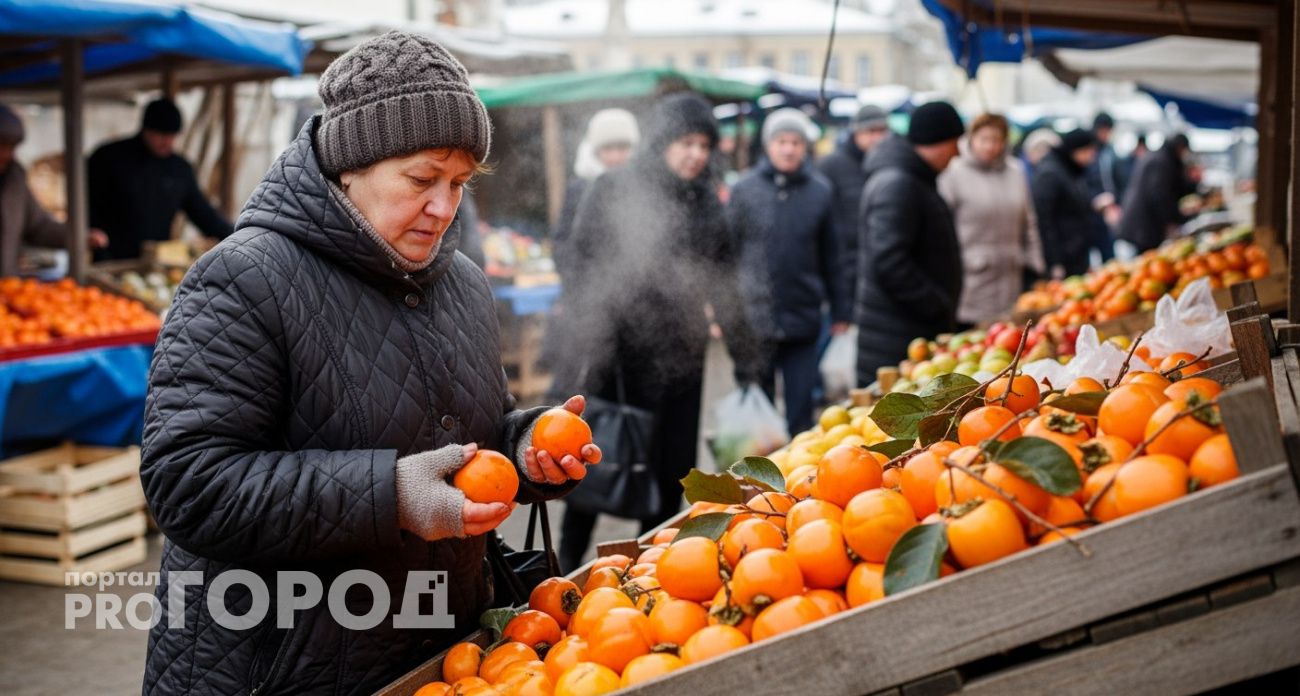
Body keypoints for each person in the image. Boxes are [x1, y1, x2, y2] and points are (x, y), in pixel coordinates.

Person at [139, 32, 600, 696]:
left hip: (446, 657)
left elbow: (464, 440)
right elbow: (189, 484)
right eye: (421, 179)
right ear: (350, 164)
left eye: (459, 184)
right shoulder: (243, 280)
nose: (444, 208)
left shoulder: (463, 284)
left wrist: (525, 449)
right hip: (285, 667)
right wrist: (391, 496)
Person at [557, 92, 761, 571]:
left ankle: (650, 570)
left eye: (704, 145)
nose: (695, 154)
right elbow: (580, 264)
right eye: (685, 142)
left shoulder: (708, 204)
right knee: (598, 469)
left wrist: (747, 361)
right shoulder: (612, 187)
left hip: (682, 361)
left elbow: (725, 286)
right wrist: (592, 339)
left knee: (670, 474)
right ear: (661, 142)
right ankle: (561, 566)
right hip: (619, 357)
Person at [730, 108, 850, 435]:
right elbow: (728, 253)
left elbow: (832, 256)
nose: (788, 149)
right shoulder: (744, 190)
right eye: (781, 141)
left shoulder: (820, 191)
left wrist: (841, 311)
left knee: (801, 410)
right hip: (755, 319)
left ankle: (796, 482)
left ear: (805, 147)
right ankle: (757, 482)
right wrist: (724, 311)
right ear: (768, 145)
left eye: (795, 142)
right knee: (759, 411)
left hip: (804, 317)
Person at [854, 101, 965, 385]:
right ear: (939, 142)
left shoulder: (912, 178)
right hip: (896, 335)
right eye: (955, 143)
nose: (957, 152)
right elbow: (890, 262)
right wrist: (935, 304)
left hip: (903, 330)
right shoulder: (898, 183)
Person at [545, 109, 639, 390]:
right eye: (609, 148)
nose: (616, 156)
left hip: (633, 304)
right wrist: (579, 284)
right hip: (587, 301)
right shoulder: (580, 189)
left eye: (622, 148)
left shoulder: (641, 190)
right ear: (597, 151)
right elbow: (562, 241)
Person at [88, 98, 232, 260]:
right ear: (146, 129)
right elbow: (87, 205)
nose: (168, 142)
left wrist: (236, 237)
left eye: (173, 136)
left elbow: (202, 213)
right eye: (162, 135)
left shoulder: (179, 169)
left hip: (157, 261)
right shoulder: (108, 158)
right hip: (111, 260)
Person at [938, 113, 1045, 328]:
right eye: (984, 139)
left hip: (1011, 278)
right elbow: (941, 228)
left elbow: (1029, 221)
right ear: (971, 139)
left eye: (996, 140)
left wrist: (1035, 264)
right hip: (970, 281)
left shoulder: (1015, 172)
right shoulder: (953, 173)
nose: (990, 146)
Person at [0, 105, 106, 274]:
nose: (6, 154)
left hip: (7, 289)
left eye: (11, 147)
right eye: (2, 146)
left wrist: (78, 237)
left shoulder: (14, 179)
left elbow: (39, 226)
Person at [816, 104, 891, 299]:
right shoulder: (831, 166)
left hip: (882, 268)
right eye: (870, 131)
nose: (877, 137)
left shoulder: (891, 165)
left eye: (882, 131)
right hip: (844, 270)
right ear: (856, 132)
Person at [1032, 129, 1099, 279]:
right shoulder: (1050, 174)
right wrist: (1055, 262)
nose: (1092, 156)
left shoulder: (1071, 171)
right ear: (1077, 150)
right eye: (1089, 151)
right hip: (1064, 258)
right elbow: (1044, 221)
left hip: (1076, 254)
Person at [1119, 134, 1197, 253]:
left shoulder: (1158, 156)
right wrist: (1174, 218)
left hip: (1141, 220)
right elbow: (1159, 195)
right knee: (1148, 261)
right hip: (1144, 223)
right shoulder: (1161, 162)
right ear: (1180, 148)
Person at [1086, 112, 1122, 262]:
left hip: (1108, 208)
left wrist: (1115, 201)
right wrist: (1095, 200)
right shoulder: (1089, 150)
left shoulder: (1109, 151)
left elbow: (1115, 178)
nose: (1108, 135)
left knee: (1109, 254)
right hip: (1092, 211)